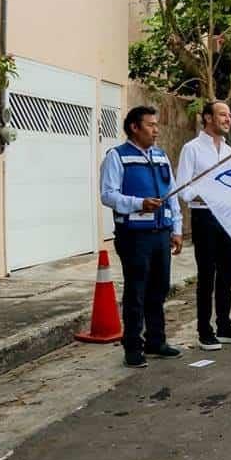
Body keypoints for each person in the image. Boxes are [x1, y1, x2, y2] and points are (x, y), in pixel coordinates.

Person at [100, 106, 184, 368]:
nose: (156, 130)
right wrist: (138, 203)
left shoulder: (160, 156)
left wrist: (177, 228)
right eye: (150, 125)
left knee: (159, 290)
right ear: (134, 127)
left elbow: (172, 193)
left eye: (157, 124)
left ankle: (156, 341)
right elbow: (108, 194)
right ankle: (133, 346)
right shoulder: (117, 156)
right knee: (136, 291)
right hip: (134, 236)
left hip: (161, 233)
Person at [176, 101, 231, 351]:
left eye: (229, 115)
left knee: (227, 274)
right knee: (207, 275)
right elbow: (183, 190)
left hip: (226, 218)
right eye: (222, 115)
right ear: (207, 118)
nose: (228, 119)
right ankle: (204, 330)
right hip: (205, 217)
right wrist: (209, 195)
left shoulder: (230, 152)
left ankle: (224, 325)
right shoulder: (192, 149)